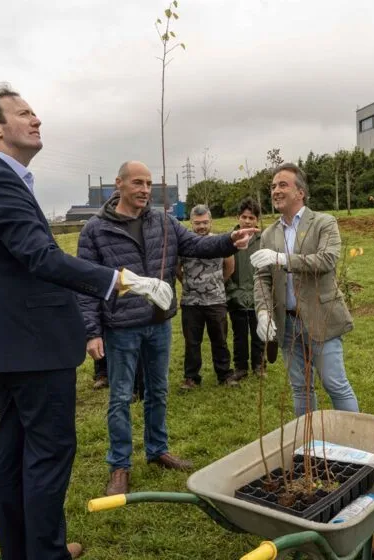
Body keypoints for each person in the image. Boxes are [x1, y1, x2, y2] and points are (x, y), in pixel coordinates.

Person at [0, 86, 167, 560]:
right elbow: (39, 256)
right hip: (30, 342)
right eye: (24, 113)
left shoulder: (2, 179)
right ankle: (48, 553)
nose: (37, 120)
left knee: (14, 452)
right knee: (49, 452)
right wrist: (121, 280)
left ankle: (26, 550)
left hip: (12, 342)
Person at [76, 162, 256, 497]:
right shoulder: (95, 230)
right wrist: (92, 331)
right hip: (121, 327)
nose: (145, 190)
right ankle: (119, 465)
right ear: (119, 184)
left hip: (158, 324)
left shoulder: (163, 221)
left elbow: (197, 245)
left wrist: (229, 242)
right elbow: (86, 284)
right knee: (119, 397)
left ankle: (157, 450)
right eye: (137, 183)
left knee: (158, 392)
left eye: (149, 184)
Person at [252, 163, 359, 417]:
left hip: (321, 317)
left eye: (282, 185)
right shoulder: (268, 234)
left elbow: (327, 260)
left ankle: (355, 443)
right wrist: (264, 312)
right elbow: (262, 278)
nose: (275, 190)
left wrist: (282, 259)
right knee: (300, 388)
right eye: (273, 186)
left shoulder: (323, 223)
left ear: (300, 192)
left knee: (335, 384)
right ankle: (308, 448)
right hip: (287, 324)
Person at [178, 205, 238, 390]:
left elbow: (230, 266)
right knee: (192, 342)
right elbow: (176, 268)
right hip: (191, 301)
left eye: (205, 222)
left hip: (216, 300)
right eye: (197, 223)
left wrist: (217, 283)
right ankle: (191, 377)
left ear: (211, 221)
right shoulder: (184, 243)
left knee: (220, 339)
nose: (201, 226)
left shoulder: (220, 242)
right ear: (191, 223)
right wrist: (187, 284)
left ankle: (225, 374)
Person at [225, 198, 265, 379]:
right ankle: (241, 367)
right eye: (244, 217)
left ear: (257, 219)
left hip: (259, 295)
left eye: (251, 217)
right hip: (236, 296)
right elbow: (224, 269)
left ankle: (259, 365)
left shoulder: (263, 240)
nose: (247, 221)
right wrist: (233, 291)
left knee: (259, 332)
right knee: (239, 334)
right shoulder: (228, 239)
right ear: (238, 217)